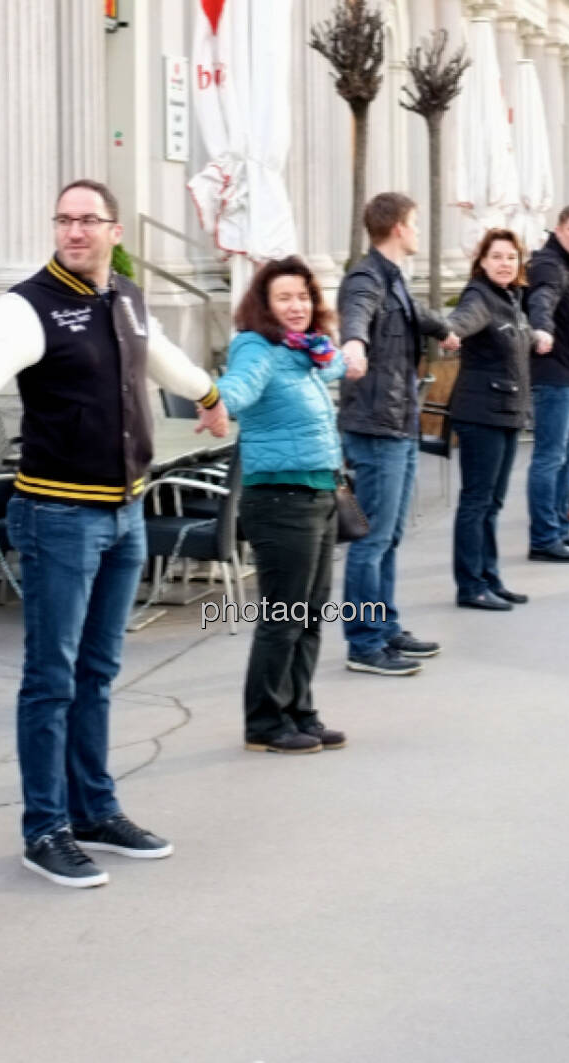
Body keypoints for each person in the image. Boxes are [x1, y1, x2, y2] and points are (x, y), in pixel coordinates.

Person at [0, 178, 228, 888]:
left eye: (88, 221)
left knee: (98, 673)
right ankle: (44, 827)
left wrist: (208, 395)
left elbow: (162, 355)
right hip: (57, 516)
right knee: (51, 680)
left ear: (115, 230)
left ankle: (95, 810)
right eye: (64, 220)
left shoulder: (128, 299)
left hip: (123, 511)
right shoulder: (29, 305)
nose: (74, 231)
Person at [215, 258, 358, 754]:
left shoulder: (306, 353)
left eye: (302, 297)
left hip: (318, 493)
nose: (296, 307)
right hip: (280, 498)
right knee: (283, 616)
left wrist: (353, 350)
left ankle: (300, 711)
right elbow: (240, 387)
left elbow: (338, 362)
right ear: (265, 305)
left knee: (312, 613)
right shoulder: (256, 347)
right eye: (284, 298)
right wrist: (215, 400)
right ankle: (265, 722)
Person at [336, 192, 458, 677]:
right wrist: (353, 345)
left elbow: (413, 315)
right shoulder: (365, 278)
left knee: (390, 536)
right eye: (415, 222)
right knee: (371, 539)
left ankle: (385, 626)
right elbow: (357, 315)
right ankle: (363, 642)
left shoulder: (394, 280)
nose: (419, 230)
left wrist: (445, 328)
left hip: (400, 423)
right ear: (398, 228)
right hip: (376, 426)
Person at [446, 229, 534, 606]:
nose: (504, 264)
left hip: (508, 413)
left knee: (494, 503)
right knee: (476, 501)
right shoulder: (480, 295)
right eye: (497, 257)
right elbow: (464, 319)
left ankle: (489, 576)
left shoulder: (512, 298)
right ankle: (470, 586)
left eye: (511, 257)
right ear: (482, 261)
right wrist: (450, 331)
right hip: (480, 413)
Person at [525, 205, 569, 564]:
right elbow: (542, 299)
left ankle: (558, 529)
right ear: (558, 230)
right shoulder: (549, 265)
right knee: (550, 457)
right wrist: (542, 329)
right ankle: (543, 537)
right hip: (552, 375)